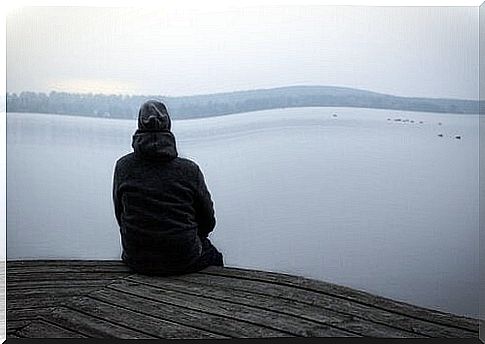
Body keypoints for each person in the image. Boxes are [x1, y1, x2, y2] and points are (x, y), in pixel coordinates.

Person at [112, 100, 223, 275]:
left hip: (137, 258)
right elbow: (208, 221)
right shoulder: (189, 170)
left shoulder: (123, 167)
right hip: (184, 257)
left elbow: (120, 215)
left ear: (140, 125)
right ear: (168, 125)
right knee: (215, 257)